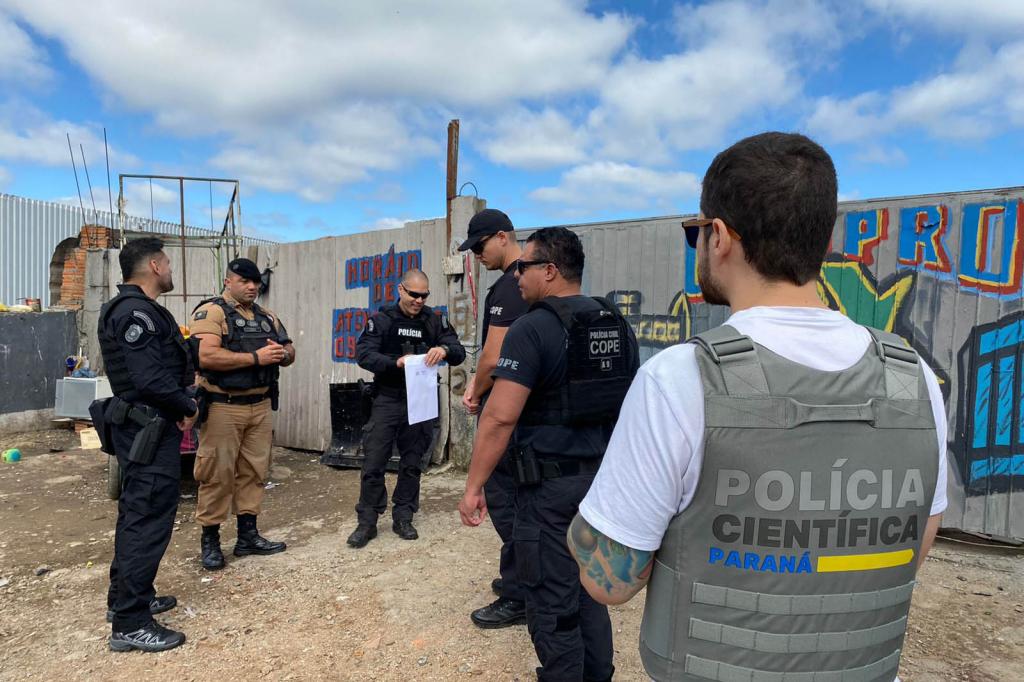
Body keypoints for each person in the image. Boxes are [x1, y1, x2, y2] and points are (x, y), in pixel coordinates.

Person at [568, 132, 948, 682]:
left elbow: (609, 582)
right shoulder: (914, 379)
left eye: (696, 232)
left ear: (720, 236)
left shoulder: (678, 379)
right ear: (821, 240)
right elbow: (913, 546)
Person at [459, 227, 640, 682]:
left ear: (551, 271)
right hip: (601, 487)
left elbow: (499, 418)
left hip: (548, 491)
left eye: (525, 266)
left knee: (550, 601)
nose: (517, 274)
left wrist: (474, 486)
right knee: (590, 591)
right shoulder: (614, 323)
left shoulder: (532, 327)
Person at [97, 237, 198, 652]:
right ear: (155, 266)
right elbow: (149, 378)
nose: (171, 270)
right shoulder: (135, 312)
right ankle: (131, 622)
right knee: (147, 519)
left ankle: (124, 598)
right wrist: (187, 405)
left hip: (145, 426)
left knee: (136, 514)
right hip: (148, 428)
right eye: (168, 263)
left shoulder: (135, 309)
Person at [189, 258, 296, 570]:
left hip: (259, 405)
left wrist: (283, 354)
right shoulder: (212, 312)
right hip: (223, 405)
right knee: (216, 474)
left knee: (254, 471)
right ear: (228, 281)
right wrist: (256, 357)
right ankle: (210, 540)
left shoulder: (266, 316)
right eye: (244, 281)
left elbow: (289, 349)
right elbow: (205, 355)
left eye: (255, 282)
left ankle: (247, 536)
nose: (252, 287)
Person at [348, 269, 466, 548]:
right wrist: (395, 363)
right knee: (374, 461)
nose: (419, 300)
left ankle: (403, 516)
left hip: (421, 400)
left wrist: (444, 350)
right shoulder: (382, 320)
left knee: (413, 462)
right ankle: (367, 521)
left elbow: (458, 350)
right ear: (400, 290)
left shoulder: (434, 320)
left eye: (424, 295)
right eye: (414, 294)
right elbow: (364, 354)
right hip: (388, 398)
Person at [457, 208, 529, 629]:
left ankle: (520, 593)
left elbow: (493, 354)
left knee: (504, 501)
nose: (477, 256)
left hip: (508, 405)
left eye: (480, 246)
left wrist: (476, 388)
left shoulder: (511, 285)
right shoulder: (530, 279)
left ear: (503, 237)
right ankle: (519, 577)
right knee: (518, 500)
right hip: (526, 406)